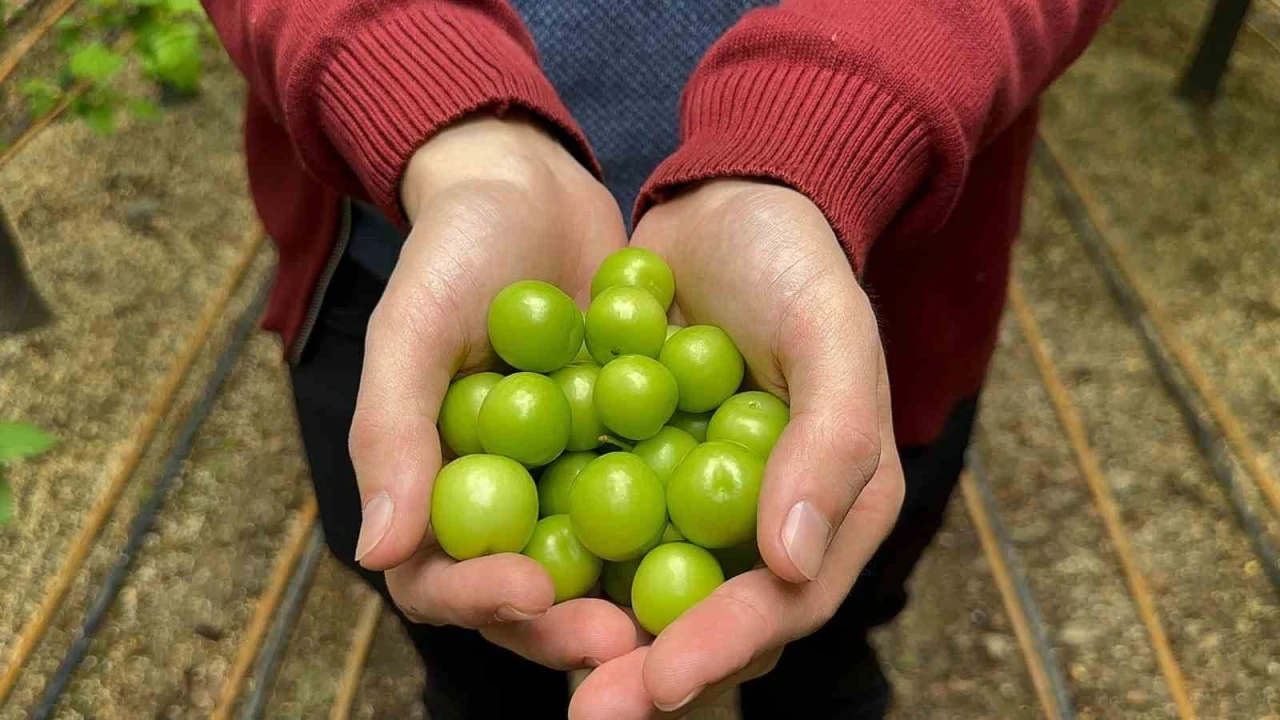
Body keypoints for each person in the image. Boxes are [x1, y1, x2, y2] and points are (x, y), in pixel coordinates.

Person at [204, 1, 1119, 717]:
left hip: (862, 295)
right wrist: (422, 89)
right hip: (411, 248)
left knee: (831, 612)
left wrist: (832, 123)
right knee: (471, 646)